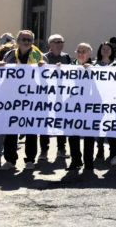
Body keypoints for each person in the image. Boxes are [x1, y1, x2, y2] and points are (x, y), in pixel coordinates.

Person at [0, 30, 43, 171]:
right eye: (24, 39)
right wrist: (0, 67)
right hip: (13, 99)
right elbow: (2, 74)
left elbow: (49, 75)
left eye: (29, 39)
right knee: (11, 130)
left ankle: (30, 160)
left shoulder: (39, 56)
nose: (26, 42)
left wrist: (44, 67)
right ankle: (10, 160)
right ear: (18, 41)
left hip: (31, 99)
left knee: (31, 130)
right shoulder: (10, 55)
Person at [40, 33, 72, 161]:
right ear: (49, 45)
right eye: (56, 42)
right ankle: (43, 151)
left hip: (62, 97)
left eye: (61, 42)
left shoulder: (67, 57)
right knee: (45, 125)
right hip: (46, 97)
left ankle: (61, 149)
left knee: (61, 123)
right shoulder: (43, 58)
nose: (60, 44)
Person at [67, 43, 95, 171]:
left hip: (89, 106)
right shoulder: (69, 67)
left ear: (89, 54)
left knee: (89, 135)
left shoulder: (96, 67)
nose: (81, 53)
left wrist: (92, 70)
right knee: (73, 134)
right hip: (73, 106)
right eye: (78, 51)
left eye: (84, 51)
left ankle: (88, 161)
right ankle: (75, 160)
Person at [93, 41, 116, 163]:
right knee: (99, 126)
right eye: (103, 49)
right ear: (100, 51)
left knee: (111, 126)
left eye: (108, 49)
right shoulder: (94, 64)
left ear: (112, 51)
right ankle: (100, 148)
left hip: (113, 101)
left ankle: (113, 151)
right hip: (99, 100)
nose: (106, 51)